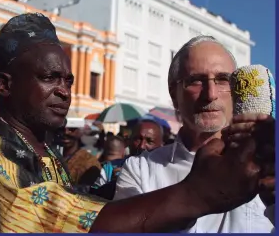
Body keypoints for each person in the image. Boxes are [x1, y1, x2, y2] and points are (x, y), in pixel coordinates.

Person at [0, 14, 271, 233]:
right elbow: (27, 215)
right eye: (49, 77)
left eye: (68, 79)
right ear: (5, 85)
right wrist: (196, 194)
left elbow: (73, 199)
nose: (64, 90)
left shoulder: (46, 152)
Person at [114, 36, 274, 232]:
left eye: (223, 80)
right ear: (174, 94)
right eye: (196, 81)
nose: (211, 94)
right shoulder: (140, 171)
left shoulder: (268, 162)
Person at [62, 119, 102, 186]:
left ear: (80, 132)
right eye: (61, 129)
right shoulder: (46, 155)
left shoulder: (90, 162)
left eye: (72, 129)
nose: (66, 132)